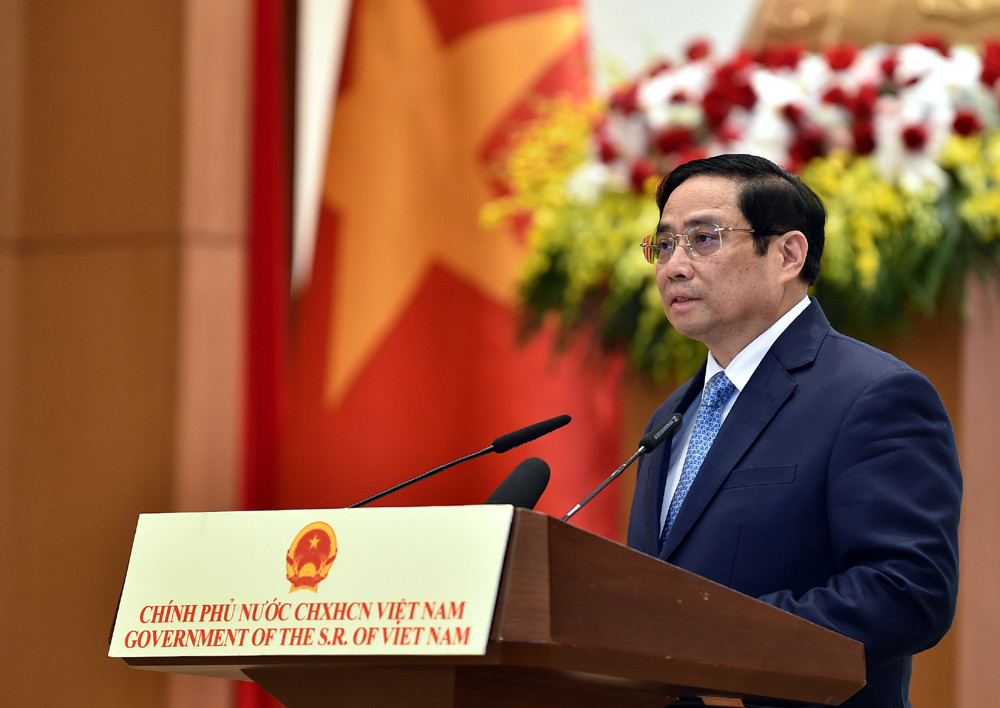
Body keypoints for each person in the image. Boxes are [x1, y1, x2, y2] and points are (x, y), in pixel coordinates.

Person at [626, 154, 962, 708]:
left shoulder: (872, 394)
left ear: (787, 254)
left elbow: (907, 591)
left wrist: (713, 641)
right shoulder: (671, 417)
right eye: (663, 245)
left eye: (703, 238)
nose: (673, 266)